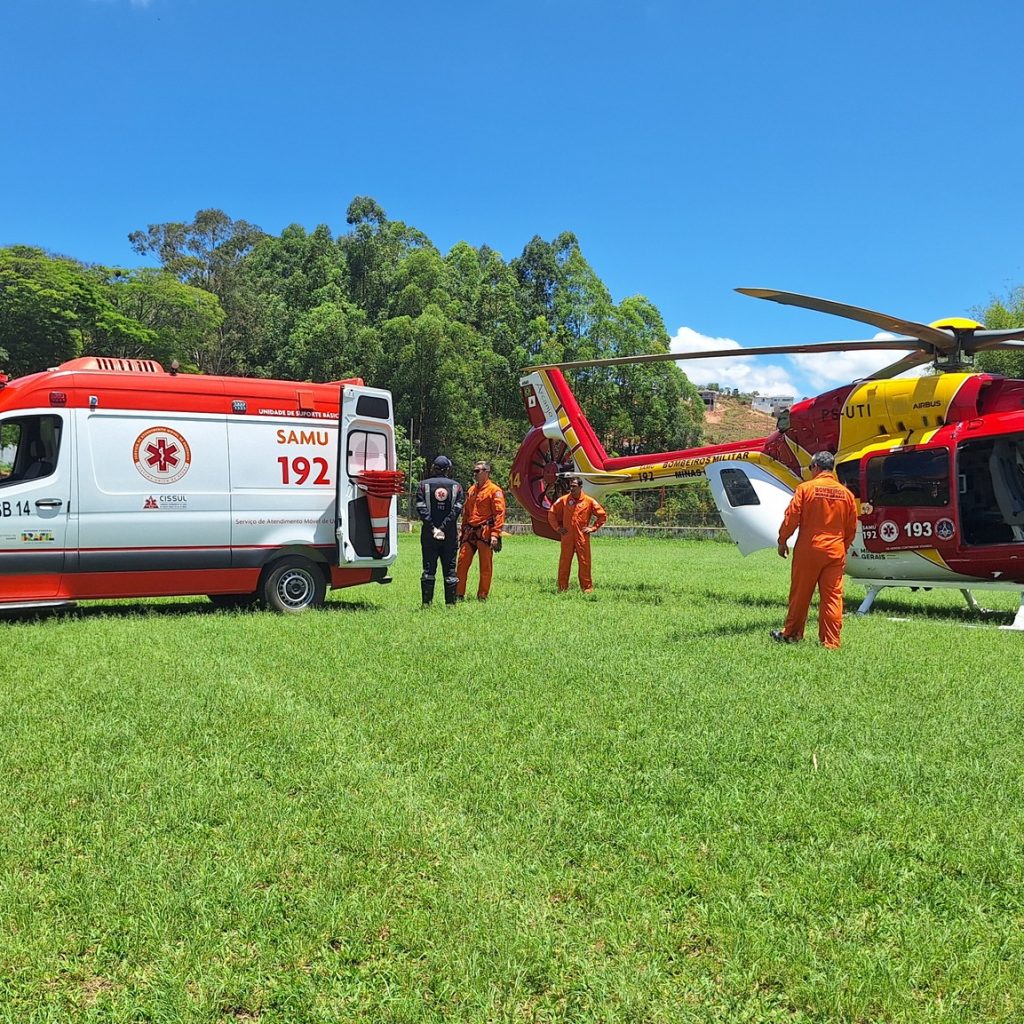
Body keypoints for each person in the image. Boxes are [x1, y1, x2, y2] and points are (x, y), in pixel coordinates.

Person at [772, 450, 858, 648]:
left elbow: (791, 518)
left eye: (811, 468)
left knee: (800, 595)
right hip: (835, 550)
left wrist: (782, 540)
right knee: (833, 598)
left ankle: (792, 634)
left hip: (809, 549)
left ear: (816, 467)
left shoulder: (805, 489)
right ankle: (831, 641)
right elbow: (851, 528)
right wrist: (841, 547)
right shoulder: (847, 495)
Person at [414, 455, 464, 606]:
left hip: (429, 536)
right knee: (450, 570)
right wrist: (442, 529)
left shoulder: (423, 486)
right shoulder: (457, 487)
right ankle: (450, 605)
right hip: (449, 536)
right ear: (447, 469)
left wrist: (433, 529)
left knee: (428, 569)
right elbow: (456, 512)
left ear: (433, 468)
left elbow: (421, 509)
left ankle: (426, 604)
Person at [456, 460, 507, 601]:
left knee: (485, 566)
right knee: (461, 562)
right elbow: (466, 513)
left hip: (485, 532)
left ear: (486, 472)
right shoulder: (471, 490)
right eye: (474, 471)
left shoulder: (494, 490)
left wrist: (495, 534)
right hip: (469, 532)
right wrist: (462, 531)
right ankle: (458, 594)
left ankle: (482, 595)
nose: (475, 473)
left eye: (478, 471)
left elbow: (499, 513)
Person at [547, 476, 607, 593]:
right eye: (571, 486)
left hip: (582, 537)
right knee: (564, 562)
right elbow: (551, 513)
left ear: (580, 487)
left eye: (574, 486)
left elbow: (602, 515)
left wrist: (593, 528)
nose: (572, 489)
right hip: (567, 536)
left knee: (585, 562)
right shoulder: (564, 500)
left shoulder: (589, 501)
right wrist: (557, 528)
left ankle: (587, 588)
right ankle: (562, 588)